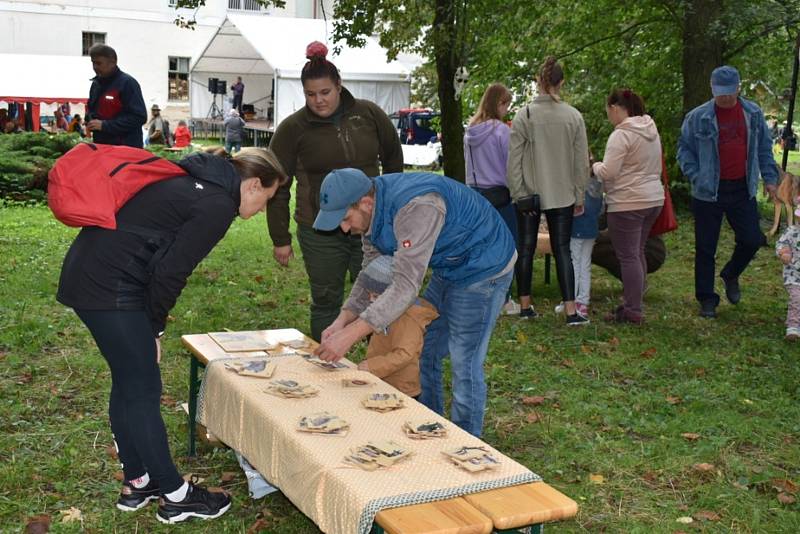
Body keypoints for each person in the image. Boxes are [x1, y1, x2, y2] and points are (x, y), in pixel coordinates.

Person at [56, 147, 287, 524]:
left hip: (94, 276)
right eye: (267, 198)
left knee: (130, 379)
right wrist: (153, 328)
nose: (263, 208)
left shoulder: (200, 182)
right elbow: (170, 272)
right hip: (110, 286)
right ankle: (176, 495)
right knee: (144, 388)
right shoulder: (215, 204)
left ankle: (139, 481)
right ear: (254, 184)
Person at [312, 168, 516, 437]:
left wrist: (351, 335)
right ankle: (430, 429)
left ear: (366, 202)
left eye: (346, 219)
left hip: (484, 265)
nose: (344, 228)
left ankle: (468, 444)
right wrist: (342, 320)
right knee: (427, 348)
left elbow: (406, 287)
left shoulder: (418, 207)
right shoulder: (373, 212)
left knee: (464, 359)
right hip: (450, 264)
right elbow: (372, 273)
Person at [268, 41, 403, 341]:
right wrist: (280, 237)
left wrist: (392, 211)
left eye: (325, 92)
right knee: (327, 299)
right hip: (320, 229)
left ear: (339, 86)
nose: (318, 100)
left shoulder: (368, 115)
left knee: (376, 294)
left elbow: (393, 160)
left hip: (372, 225)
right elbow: (277, 184)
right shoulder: (293, 129)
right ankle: (326, 369)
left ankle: (376, 370)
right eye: (310, 94)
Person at [677, 65, 778, 318]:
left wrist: (770, 179)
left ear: (738, 89)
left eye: (729, 93)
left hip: (742, 189)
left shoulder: (753, 114)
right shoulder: (697, 117)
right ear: (712, 88)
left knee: (752, 239)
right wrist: (696, 175)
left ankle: (731, 273)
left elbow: (764, 149)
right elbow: (684, 150)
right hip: (708, 191)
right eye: (720, 93)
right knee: (705, 247)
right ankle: (707, 299)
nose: (725, 98)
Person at [507, 56, 590, 325]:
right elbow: (581, 163)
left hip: (530, 193)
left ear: (538, 81)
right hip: (563, 192)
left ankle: (525, 306)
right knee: (562, 249)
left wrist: (518, 192)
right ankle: (570, 311)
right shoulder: (574, 116)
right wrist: (579, 195)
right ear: (561, 82)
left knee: (526, 248)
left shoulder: (523, 115)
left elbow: (514, 161)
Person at [592, 88, 664, 324]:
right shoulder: (650, 130)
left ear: (614, 108)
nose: (609, 117)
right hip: (653, 199)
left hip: (627, 202)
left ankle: (633, 309)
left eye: (608, 111)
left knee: (628, 256)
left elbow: (609, 172)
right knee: (638, 251)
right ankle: (634, 302)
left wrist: (594, 165)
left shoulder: (621, 135)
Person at [464, 83, 520, 315]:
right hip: (500, 196)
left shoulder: (470, 131)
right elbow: (511, 166)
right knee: (507, 248)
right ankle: (503, 298)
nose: (507, 109)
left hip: (475, 195)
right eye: (506, 104)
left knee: (479, 248)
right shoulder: (502, 131)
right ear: (498, 103)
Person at [355, 255, 439, 398]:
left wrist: (373, 366)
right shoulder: (387, 312)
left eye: (375, 296)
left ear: (393, 297)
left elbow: (404, 355)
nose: (370, 300)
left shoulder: (409, 320)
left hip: (402, 389)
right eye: (369, 295)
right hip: (382, 380)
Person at [554, 174, 603, 318]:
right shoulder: (597, 186)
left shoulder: (576, 185)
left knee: (574, 263)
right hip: (591, 230)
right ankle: (583, 301)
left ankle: (571, 299)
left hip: (576, 230)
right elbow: (600, 209)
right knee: (585, 264)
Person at [86, 44, 147, 148]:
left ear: (113, 62)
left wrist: (105, 126)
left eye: (99, 63)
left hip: (125, 147)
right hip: (102, 146)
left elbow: (139, 117)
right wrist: (89, 119)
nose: (95, 67)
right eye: (93, 63)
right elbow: (92, 109)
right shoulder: (96, 84)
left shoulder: (127, 83)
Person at [776, 200, 800, 340]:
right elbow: (781, 244)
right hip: (794, 274)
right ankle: (793, 326)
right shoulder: (792, 232)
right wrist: (783, 252)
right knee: (796, 298)